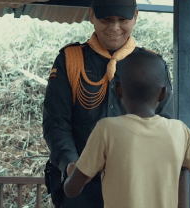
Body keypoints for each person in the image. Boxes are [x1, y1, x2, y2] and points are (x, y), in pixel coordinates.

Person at [42, 0, 173, 207]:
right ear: (92, 15)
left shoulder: (152, 65)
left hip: (136, 188)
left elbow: (164, 124)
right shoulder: (70, 60)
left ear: (136, 17)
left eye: (122, 20)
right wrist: (71, 164)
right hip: (81, 189)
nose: (114, 27)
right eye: (106, 19)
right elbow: (56, 123)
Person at [63, 51, 190, 208]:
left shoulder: (106, 129)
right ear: (163, 93)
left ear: (118, 88)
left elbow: (71, 190)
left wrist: (73, 170)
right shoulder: (179, 131)